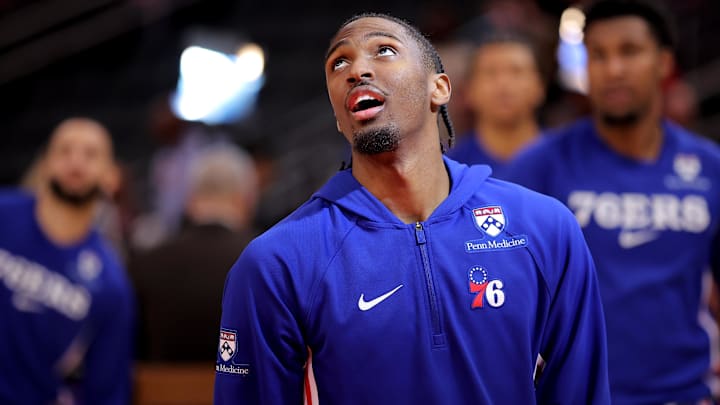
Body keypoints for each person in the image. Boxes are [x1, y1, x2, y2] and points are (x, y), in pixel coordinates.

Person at [214, 13, 610, 404]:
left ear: (438, 88)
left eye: (384, 50)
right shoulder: (276, 263)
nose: (357, 70)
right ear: (337, 115)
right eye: (340, 63)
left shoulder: (546, 228)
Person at [504, 1, 720, 403]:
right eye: (598, 55)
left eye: (629, 51)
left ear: (664, 62)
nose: (613, 69)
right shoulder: (538, 166)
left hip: (684, 394)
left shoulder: (710, 168)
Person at [0, 118, 135, 404]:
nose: (76, 161)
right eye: (65, 150)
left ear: (111, 177)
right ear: (45, 163)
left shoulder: (111, 285)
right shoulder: (3, 214)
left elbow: (107, 392)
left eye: (90, 154)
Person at [129, 144, 259, 362]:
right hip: (243, 394)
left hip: (162, 395)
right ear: (246, 200)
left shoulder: (144, 265)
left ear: (190, 200)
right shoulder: (269, 265)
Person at [446, 31, 546, 178]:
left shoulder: (566, 159)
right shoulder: (450, 171)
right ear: (468, 91)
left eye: (516, 71)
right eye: (490, 73)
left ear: (540, 87)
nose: (503, 85)